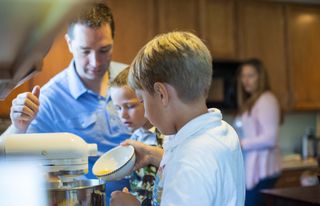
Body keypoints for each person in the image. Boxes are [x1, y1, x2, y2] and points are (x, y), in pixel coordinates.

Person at [2, 2, 131, 203]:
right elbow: (4, 153)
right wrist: (19, 127)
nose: (95, 62)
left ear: (113, 40)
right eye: (85, 51)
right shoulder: (49, 99)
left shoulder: (133, 81)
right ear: (69, 43)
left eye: (104, 50)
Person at [110, 31, 245, 206]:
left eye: (142, 100)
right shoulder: (222, 130)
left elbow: (191, 168)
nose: (145, 114)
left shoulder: (189, 162)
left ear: (161, 94)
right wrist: (151, 154)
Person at [109, 67, 163, 206]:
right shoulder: (136, 138)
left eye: (130, 106)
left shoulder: (167, 135)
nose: (123, 115)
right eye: (118, 108)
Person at [235, 58, 282, 206]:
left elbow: (271, 138)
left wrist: (240, 143)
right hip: (254, 170)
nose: (246, 80)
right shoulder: (252, 101)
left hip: (263, 170)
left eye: (251, 75)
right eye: (243, 76)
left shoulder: (266, 100)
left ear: (260, 77)